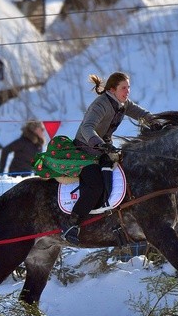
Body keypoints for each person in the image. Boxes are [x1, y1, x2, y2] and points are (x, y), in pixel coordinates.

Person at [62, 72, 155, 244]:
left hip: (103, 149)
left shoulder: (122, 103)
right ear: (112, 89)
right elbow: (87, 128)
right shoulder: (100, 104)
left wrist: (155, 121)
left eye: (128, 87)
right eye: (124, 88)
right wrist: (98, 143)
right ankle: (72, 225)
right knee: (96, 184)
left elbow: (140, 113)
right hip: (85, 150)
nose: (127, 91)